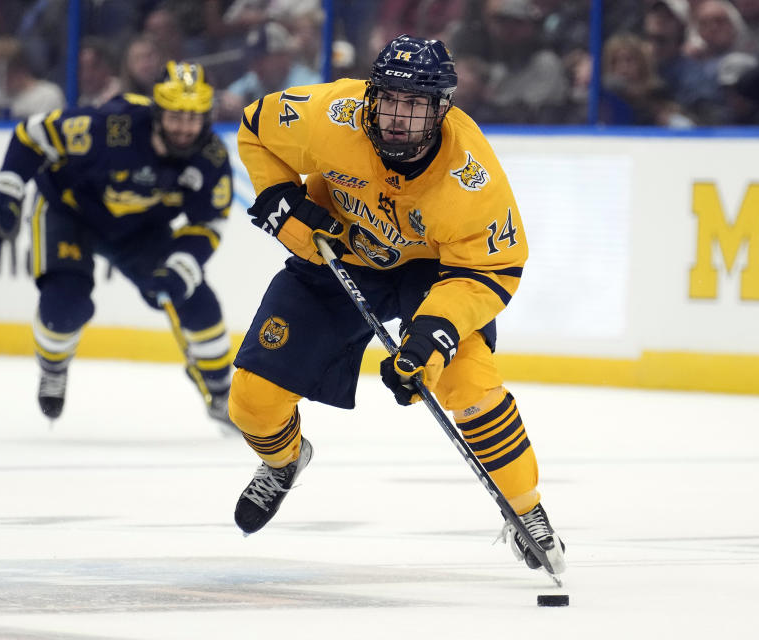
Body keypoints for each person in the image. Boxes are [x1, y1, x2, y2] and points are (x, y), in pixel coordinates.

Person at [228, 35, 567, 576]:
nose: (399, 118)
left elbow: (491, 269)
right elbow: (255, 128)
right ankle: (284, 460)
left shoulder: (470, 178)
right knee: (250, 400)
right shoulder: (331, 116)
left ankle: (527, 509)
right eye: (390, 99)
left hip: (435, 269)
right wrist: (282, 204)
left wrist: (434, 334)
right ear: (370, 95)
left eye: (415, 105)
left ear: (442, 109)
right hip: (341, 245)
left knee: (468, 385)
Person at [0, 61, 238, 433]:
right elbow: (34, 134)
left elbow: (208, 221)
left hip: (141, 229)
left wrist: (181, 267)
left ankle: (223, 396)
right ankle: (53, 367)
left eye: (194, 117)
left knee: (199, 303)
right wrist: (7, 184)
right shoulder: (112, 126)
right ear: (158, 111)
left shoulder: (211, 157)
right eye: (176, 115)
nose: (184, 127)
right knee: (64, 307)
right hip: (70, 213)